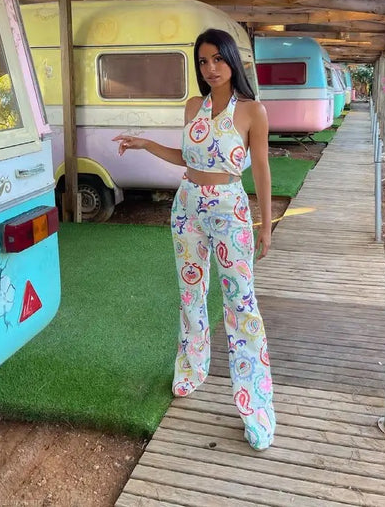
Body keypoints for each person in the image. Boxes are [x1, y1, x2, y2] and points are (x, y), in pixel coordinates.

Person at [113, 28, 276, 451]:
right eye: (203, 61)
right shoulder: (193, 106)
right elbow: (187, 158)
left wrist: (265, 224)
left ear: (232, 60)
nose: (211, 68)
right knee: (191, 295)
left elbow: (261, 169)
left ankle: (255, 406)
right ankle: (191, 369)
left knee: (241, 302)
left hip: (229, 210)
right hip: (187, 206)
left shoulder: (253, 111)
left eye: (218, 59)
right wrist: (147, 144)